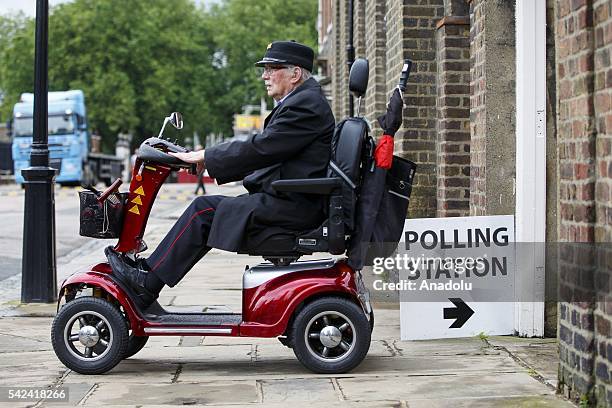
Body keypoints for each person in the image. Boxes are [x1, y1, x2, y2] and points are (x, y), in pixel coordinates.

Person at [106, 41, 335, 307]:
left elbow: (262, 148)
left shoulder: (304, 105)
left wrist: (206, 156)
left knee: (204, 210)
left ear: (295, 74)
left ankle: (147, 282)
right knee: (208, 210)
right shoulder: (304, 101)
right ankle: (149, 276)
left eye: (272, 69)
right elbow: (265, 147)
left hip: (293, 206)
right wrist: (206, 158)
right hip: (291, 199)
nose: (265, 76)